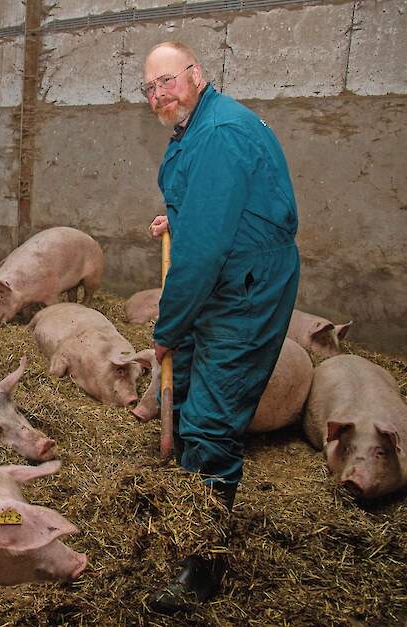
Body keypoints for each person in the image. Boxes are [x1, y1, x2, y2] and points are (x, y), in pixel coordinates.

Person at [141, 41, 300, 612]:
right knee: (193, 405)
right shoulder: (198, 127)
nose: (160, 94)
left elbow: (203, 254)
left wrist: (167, 330)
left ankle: (202, 568)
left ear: (196, 74)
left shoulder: (216, 134)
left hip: (245, 290)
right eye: (150, 87)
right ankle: (190, 501)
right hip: (232, 274)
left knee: (209, 422)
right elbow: (213, 205)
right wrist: (177, 216)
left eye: (168, 80)